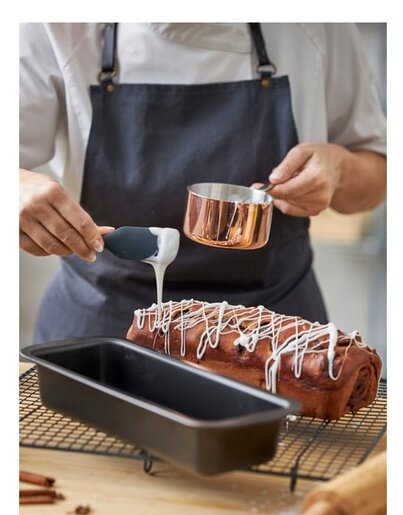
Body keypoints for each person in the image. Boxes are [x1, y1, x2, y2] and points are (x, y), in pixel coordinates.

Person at [19, 23, 386, 343]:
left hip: (273, 337)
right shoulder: (56, 22)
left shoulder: (315, 24)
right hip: (103, 324)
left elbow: (378, 174)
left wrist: (340, 171)